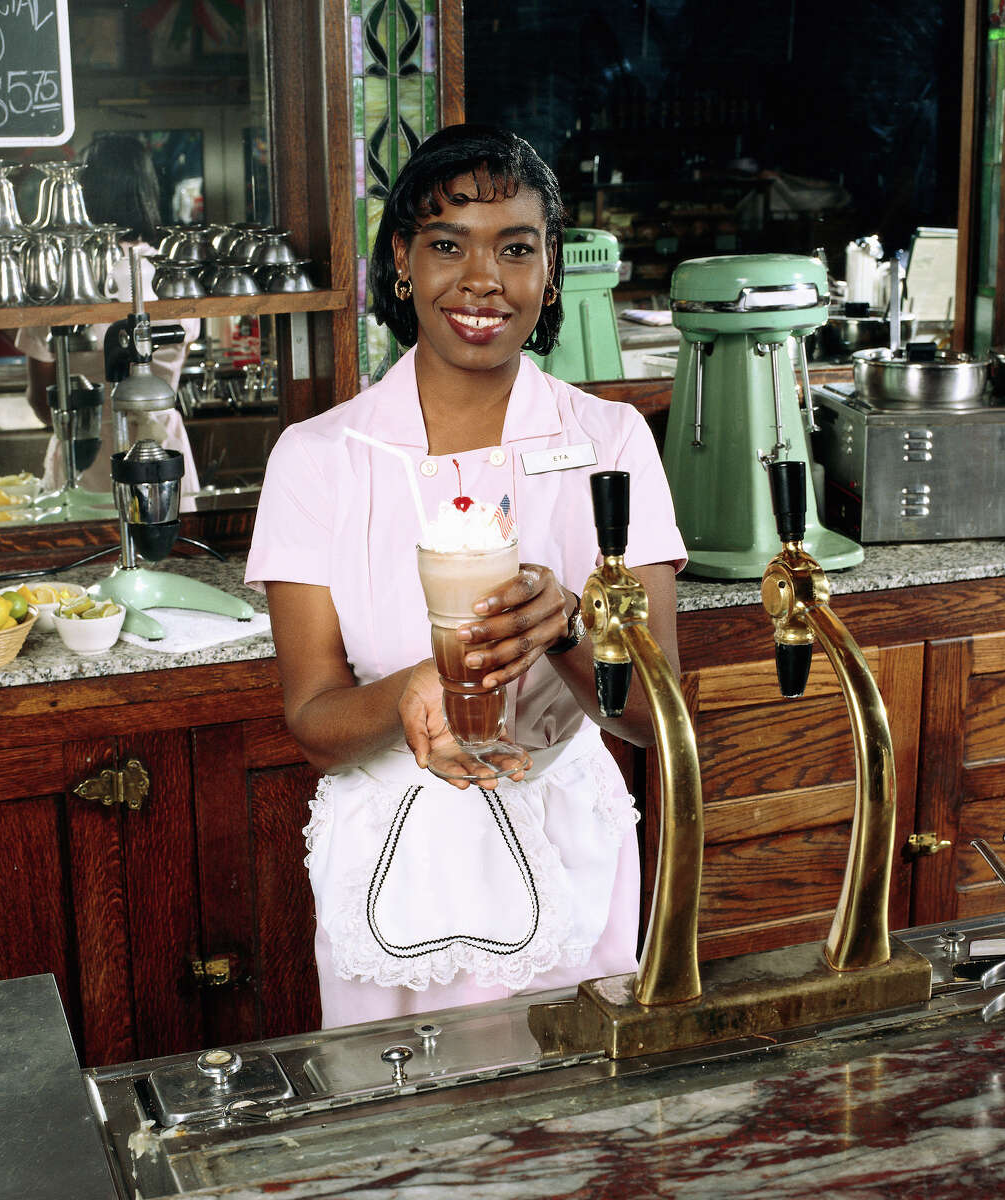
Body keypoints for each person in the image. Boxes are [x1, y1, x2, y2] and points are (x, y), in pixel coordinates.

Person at [245, 125, 687, 1029]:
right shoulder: (320, 458)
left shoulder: (611, 444)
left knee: (571, 1136)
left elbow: (653, 718)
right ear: (402, 262)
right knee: (402, 1134)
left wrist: (569, 629)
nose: (483, 280)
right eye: (448, 245)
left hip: (567, 844)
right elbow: (316, 724)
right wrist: (416, 688)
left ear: (551, 270)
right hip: (389, 853)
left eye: (515, 249)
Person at [17, 133, 200, 496]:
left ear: (81, 194)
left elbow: (41, 399)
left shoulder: (58, 278)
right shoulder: (176, 276)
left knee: (87, 549)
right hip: (161, 452)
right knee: (167, 548)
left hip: (83, 454)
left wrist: (84, 422)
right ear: (149, 190)